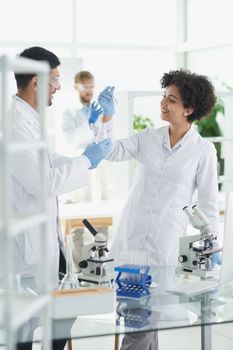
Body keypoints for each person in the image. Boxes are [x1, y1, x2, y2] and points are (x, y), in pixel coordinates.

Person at [98, 70, 219, 350]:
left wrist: (211, 251)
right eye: (164, 96)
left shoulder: (203, 151)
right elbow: (110, 151)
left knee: (145, 325)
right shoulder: (148, 138)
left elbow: (209, 205)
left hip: (165, 247)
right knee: (138, 323)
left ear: (189, 109)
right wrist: (107, 118)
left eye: (172, 100)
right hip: (132, 246)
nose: (163, 103)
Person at [11, 46, 111, 350]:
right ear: (37, 83)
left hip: (44, 241)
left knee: (61, 310)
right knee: (27, 327)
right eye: (55, 80)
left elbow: (48, 161)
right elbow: (44, 182)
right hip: (28, 249)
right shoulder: (16, 123)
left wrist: (83, 159)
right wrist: (85, 162)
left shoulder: (28, 117)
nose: (58, 87)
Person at [62, 70, 102, 149]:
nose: (89, 91)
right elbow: (71, 140)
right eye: (85, 87)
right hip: (78, 158)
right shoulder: (67, 111)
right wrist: (89, 123)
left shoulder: (95, 110)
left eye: (91, 87)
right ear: (76, 87)